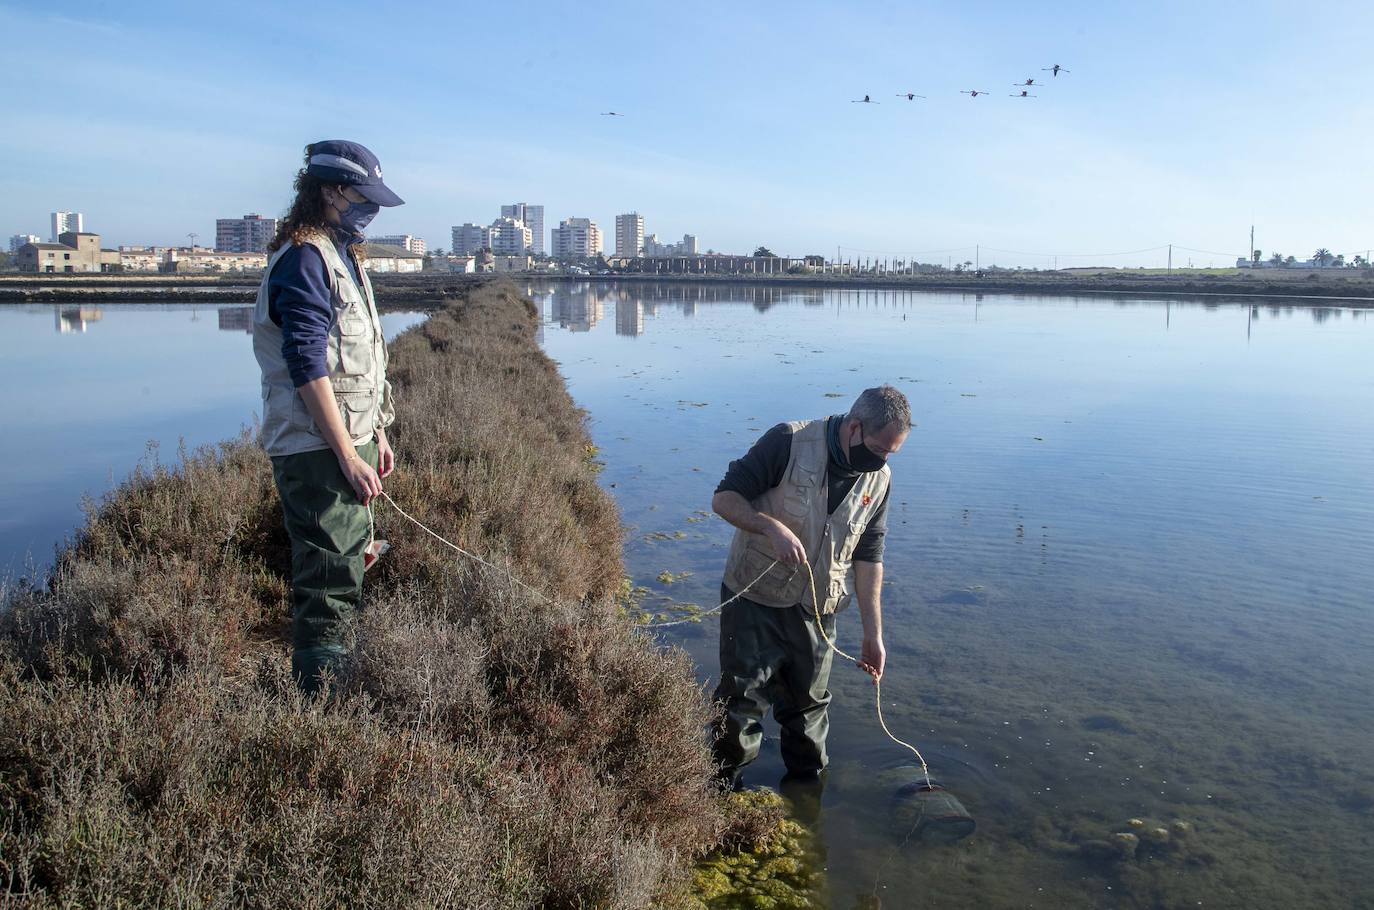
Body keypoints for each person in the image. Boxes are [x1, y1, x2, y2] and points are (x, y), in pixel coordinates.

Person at [252, 140, 404, 693]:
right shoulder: (305, 258)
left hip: (348, 439)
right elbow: (306, 362)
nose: (372, 210)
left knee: (352, 555)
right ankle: (322, 709)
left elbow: (361, 362)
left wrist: (375, 433)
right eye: (365, 197)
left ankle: (339, 681)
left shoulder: (342, 256)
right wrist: (345, 451)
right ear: (330, 191)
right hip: (315, 447)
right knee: (327, 574)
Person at [710, 385, 912, 788]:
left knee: (808, 714)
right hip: (754, 599)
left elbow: (869, 556)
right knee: (741, 706)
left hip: (817, 612)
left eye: (892, 453)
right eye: (878, 449)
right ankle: (718, 795)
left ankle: (805, 803)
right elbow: (724, 499)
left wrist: (874, 635)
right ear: (854, 427)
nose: (883, 460)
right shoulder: (788, 441)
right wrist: (769, 527)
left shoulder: (880, 480)